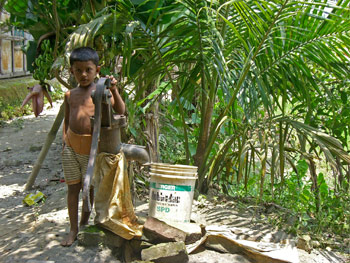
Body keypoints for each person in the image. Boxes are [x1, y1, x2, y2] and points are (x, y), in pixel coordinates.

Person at [61, 47, 125, 246]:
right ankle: (72, 230)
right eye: (78, 70)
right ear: (71, 71)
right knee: (73, 189)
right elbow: (67, 120)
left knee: (88, 190)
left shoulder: (101, 92)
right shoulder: (70, 95)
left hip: (92, 150)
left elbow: (121, 110)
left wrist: (114, 89)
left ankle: (83, 223)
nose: (83, 74)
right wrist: (65, 141)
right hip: (71, 147)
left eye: (88, 70)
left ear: (97, 70)